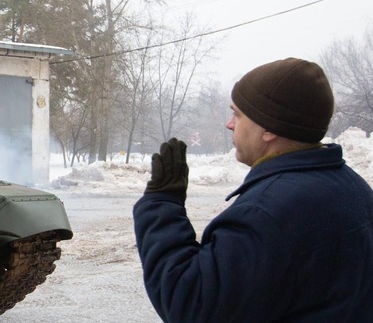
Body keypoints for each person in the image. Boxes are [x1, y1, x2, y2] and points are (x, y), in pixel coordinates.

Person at [133, 58, 373, 322]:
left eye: (238, 114)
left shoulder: (268, 213)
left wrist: (161, 204)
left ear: (268, 128)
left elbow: (192, 302)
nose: (229, 124)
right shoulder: (350, 184)